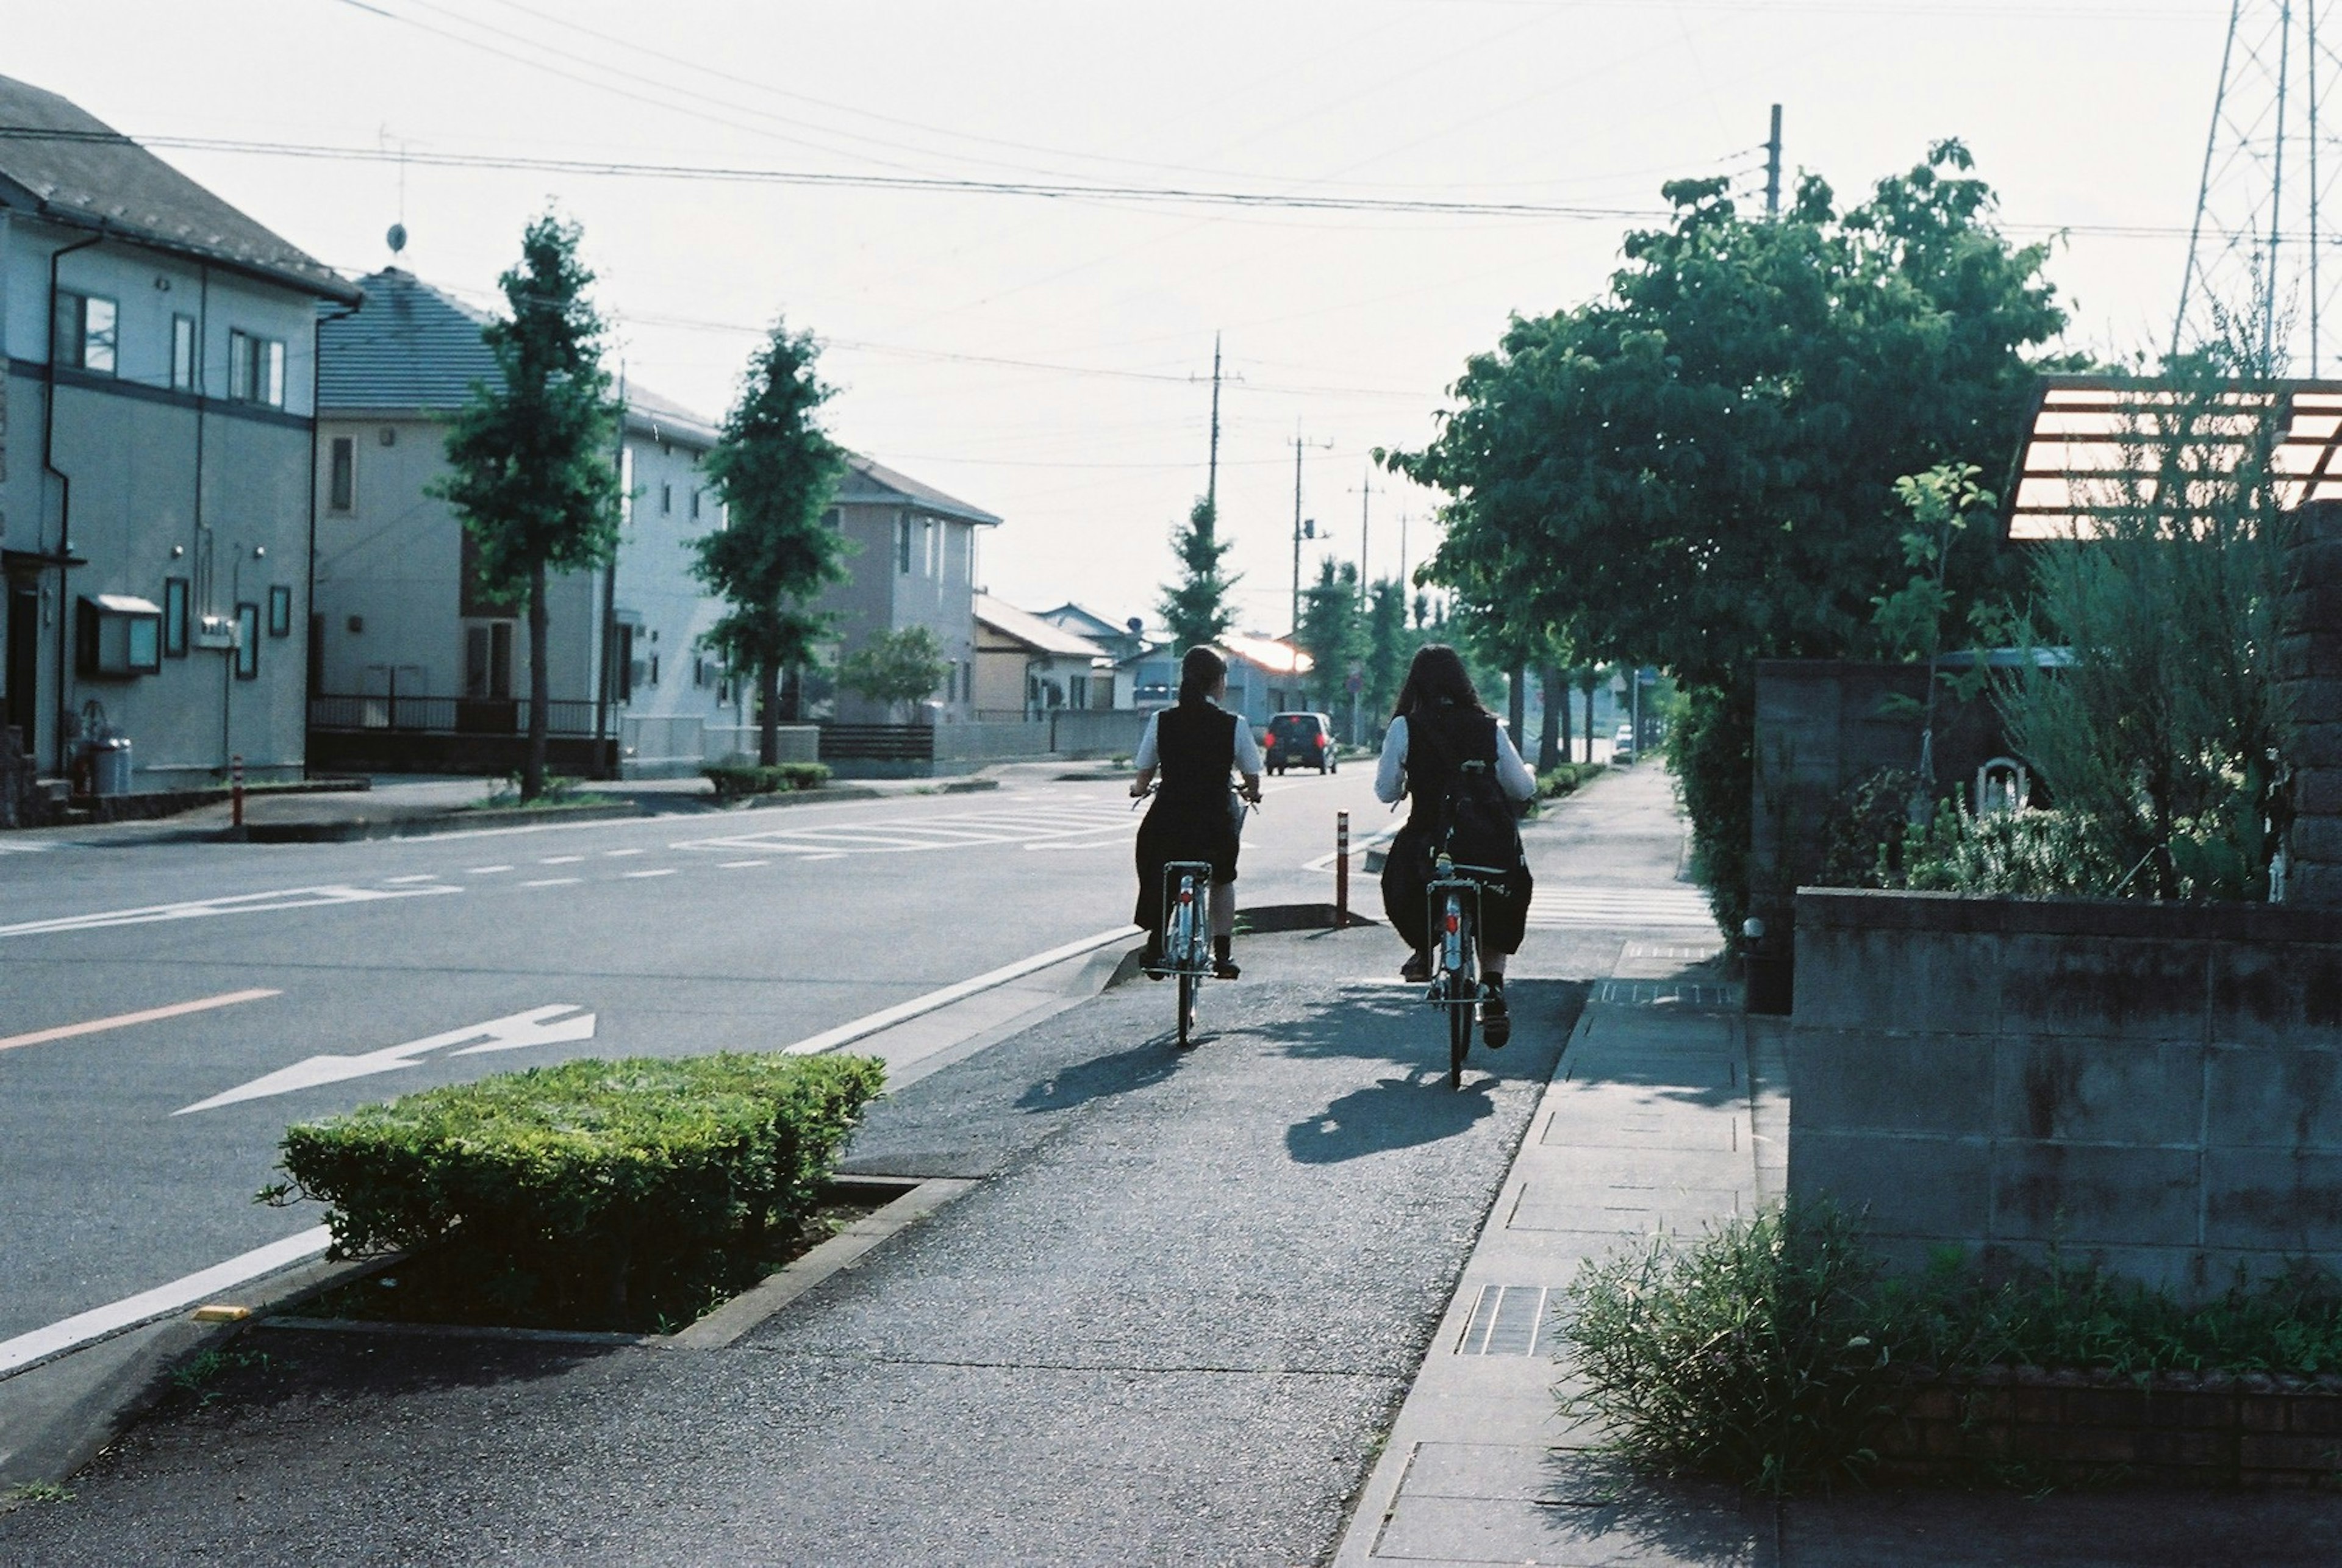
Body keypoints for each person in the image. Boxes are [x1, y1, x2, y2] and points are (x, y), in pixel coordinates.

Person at [1374, 644, 1537, 1047]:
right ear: (1462, 682)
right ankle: (1494, 986)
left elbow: (1384, 790)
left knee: (1399, 882)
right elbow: (1522, 787)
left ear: (1415, 684)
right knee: (1504, 891)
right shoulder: (1488, 727)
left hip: (1427, 844)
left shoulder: (1405, 727)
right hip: (1486, 844)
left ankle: (1424, 947)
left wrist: (1409, 781)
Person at [1130, 645, 1263, 979]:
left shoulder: (1163, 721)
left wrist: (1139, 789)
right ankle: (1223, 955)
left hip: (1169, 820)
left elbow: (1144, 773)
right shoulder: (1234, 724)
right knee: (1222, 877)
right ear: (1219, 682)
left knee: (1156, 867)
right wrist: (1252, 792)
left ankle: (1158, 942)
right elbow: (1251, 775)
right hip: (1215, 821)